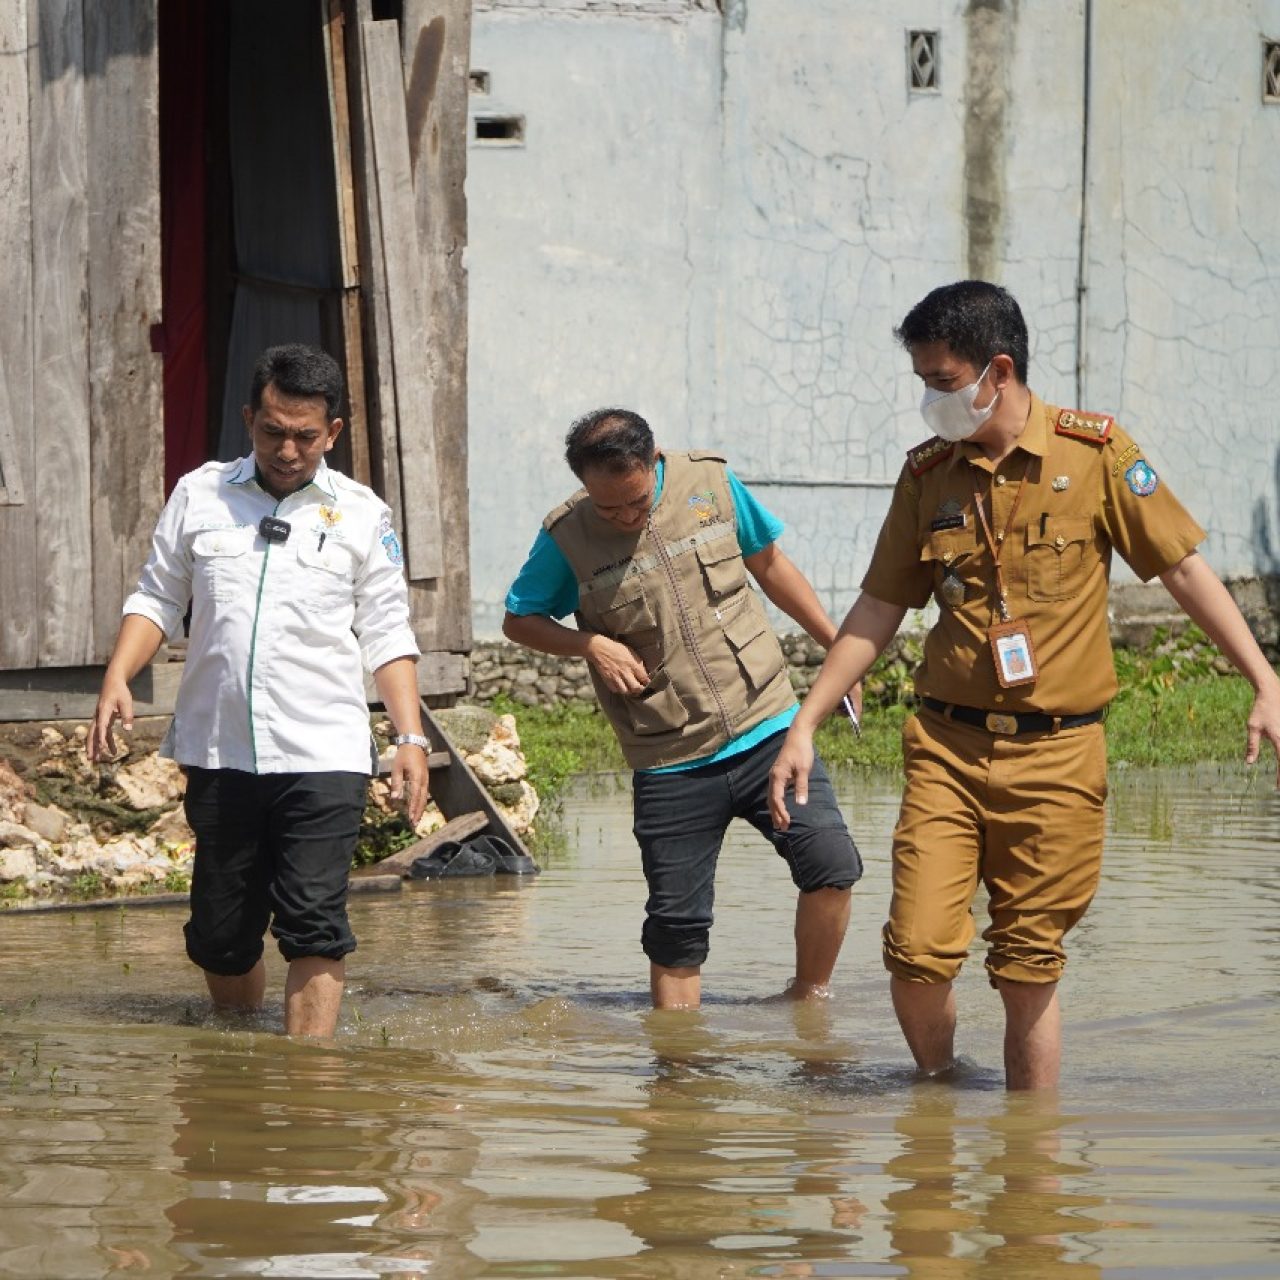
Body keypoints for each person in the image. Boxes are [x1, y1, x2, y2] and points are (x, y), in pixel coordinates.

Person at [768, 281, 1280, 1089]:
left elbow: (1181, 568)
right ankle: (939, 1092)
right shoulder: (929, 474)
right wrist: (805, 722)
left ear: (996, 371)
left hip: (1058, 755)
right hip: (946, 747)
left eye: (941, 382)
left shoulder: (1096, 453)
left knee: (1027, 967)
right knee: (915, 952)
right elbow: (877, 606)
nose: (931, 400)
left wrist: (1264, 679)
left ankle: (1029, 1173)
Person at [89, 344, 431, 1037]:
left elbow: (387, 633)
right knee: (219, 934)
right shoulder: (201, 495)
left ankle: (308, 1089)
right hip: (220, 748)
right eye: (272, 430)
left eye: (305, 435)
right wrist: (117, 676)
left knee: (313, 921)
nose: (287, 449)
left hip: (323, 750)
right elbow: (157, 596)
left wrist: (410, 736)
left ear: (333, 432)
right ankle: (241, 1053)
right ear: (250, 418)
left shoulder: (363, 516)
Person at [503, 408, 863, 1008]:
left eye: (636, 502)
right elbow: (520, 620)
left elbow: (770, 567)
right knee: (676, 929)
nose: (623, 517)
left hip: (766, 724)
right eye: (607, 507)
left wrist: (837, 647)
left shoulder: (712, 486)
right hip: (668, 754)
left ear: (654, 462)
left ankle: (808, 1002)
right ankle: (680, 1070)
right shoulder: (567, 536)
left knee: (831, 865)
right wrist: (589, 643)